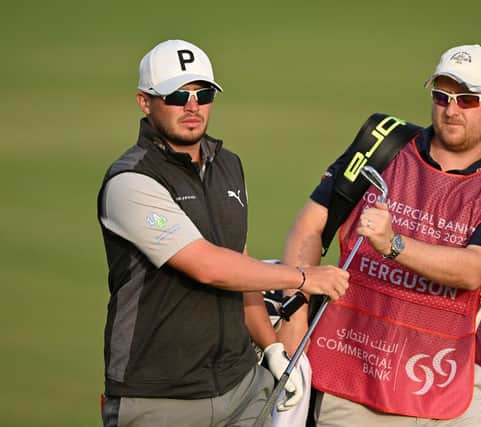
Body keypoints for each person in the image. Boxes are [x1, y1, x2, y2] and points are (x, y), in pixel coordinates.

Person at [282, 44, 481, 427]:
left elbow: (474, 269)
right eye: (442, 96)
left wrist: (392, 244)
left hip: (450, 388)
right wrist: (293, 317)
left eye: (468, 100)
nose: (451, 110)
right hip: (351, 376)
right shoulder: (380, 145)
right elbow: (311, 224)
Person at [97, 39, 349, 427]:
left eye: (203, 94)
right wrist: (303, 277)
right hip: (159, 398)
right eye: (177, 95)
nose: (192, 106)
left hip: (240, 389)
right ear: (145, 102)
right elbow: (208, 267)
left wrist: (272, 348)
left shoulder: (228, 166)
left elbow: (240, 266)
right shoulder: (131, 182)